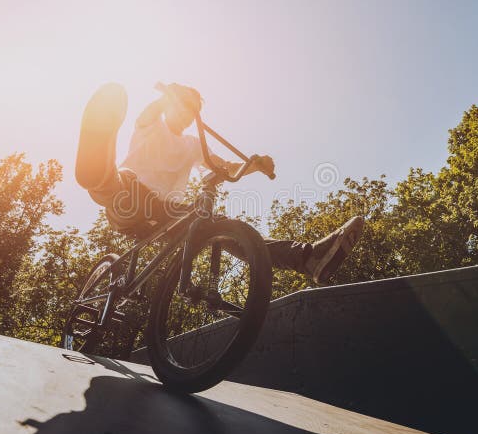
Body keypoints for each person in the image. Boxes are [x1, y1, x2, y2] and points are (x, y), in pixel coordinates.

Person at [75, 82, 363, 286]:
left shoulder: (193, 145)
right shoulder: (153, 126)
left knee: (222, 228)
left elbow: (224, 168)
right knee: (123, 185)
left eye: (193, 112)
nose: (187, 116)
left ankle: (307, 258)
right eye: (184, 108)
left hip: (165, 214)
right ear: (172, 106)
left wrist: (254, 165)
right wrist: (168, 96)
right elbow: (147, 115)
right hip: (130, 200)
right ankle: (98, 175)